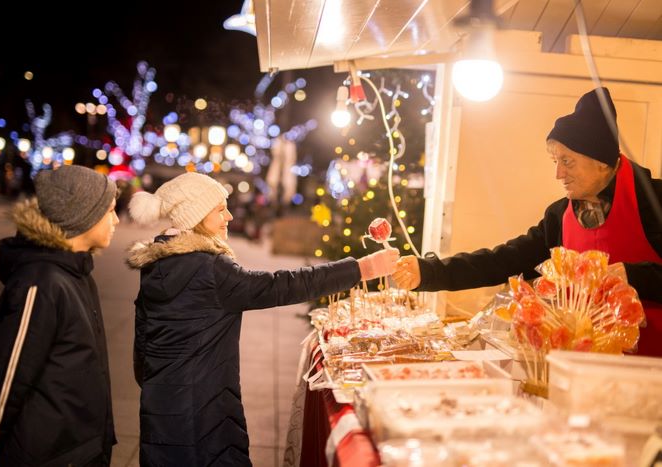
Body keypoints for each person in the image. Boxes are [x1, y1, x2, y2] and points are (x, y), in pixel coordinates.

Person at [126, 172, 398, 466]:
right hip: (206, 418)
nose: (229, 216)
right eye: (220, 210)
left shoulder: (157, 265)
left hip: (160, 412)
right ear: (196, 216)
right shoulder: (211, 270)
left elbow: (142, 351)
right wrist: (361, 269)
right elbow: (282, 285)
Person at [393, 87, 662, 357]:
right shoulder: (560, 217)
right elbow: (503, 261)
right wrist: (428, 272)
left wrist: (632, 275)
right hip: (584, 369)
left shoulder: (655, 201)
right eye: (555, 161)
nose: (558, 173)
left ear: (602, 162)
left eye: (567, 161)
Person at [0, 165, 119, 466]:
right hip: (46, 455)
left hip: (78, 451)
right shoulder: (42, 284)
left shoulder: (77, 273)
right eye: (110, 210)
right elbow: (1, 387)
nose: (115, 220)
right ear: (82, 215)